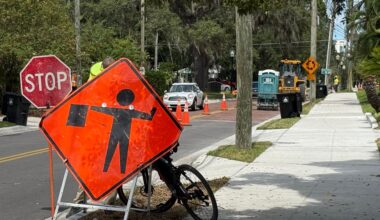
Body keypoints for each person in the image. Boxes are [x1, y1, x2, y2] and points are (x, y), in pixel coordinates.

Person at [67, 57, 115, 218]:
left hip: (104, 131)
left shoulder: (100, 81)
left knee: (104, 169)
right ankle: (83, 203)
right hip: (99, 131)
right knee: (101, 168)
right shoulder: (100, 83)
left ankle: (86, 203)